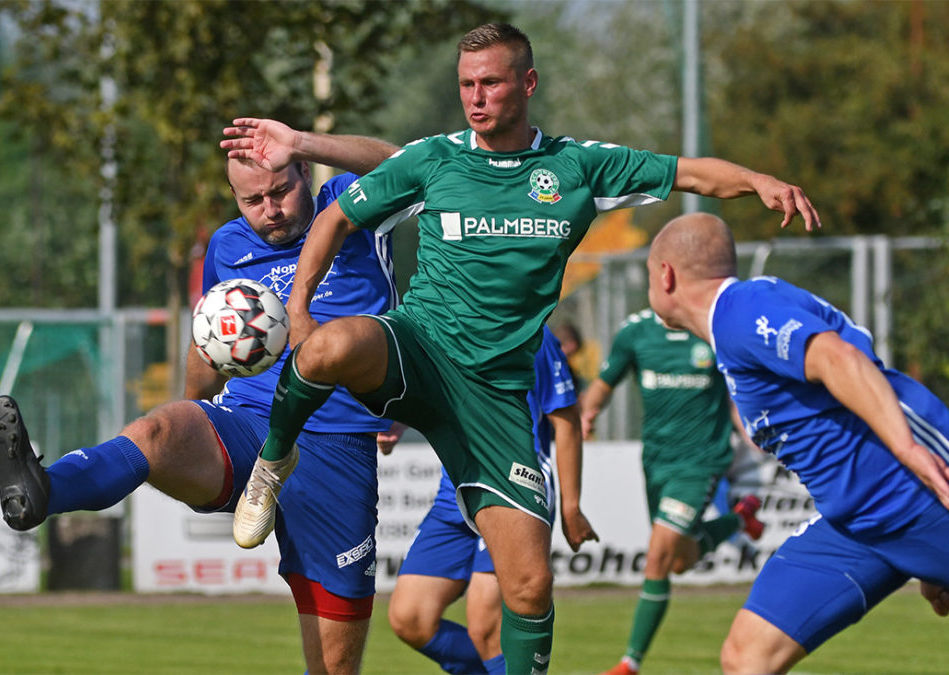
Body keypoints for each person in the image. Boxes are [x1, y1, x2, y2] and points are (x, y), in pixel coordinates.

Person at [227, 23, 819, 673]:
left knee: (531, 586)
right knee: (327, 346)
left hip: (498, 400)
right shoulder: (437, 157)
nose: (475, 98)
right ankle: (273, 461)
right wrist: (303, 306)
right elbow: (339, 216)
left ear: (527, 84)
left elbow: (688, 173)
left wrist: (758, 180)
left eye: (490, 82)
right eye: (465, 85)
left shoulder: (576, 166)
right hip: (421, 348)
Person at [0, 122, 400, 674]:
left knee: (332, 668)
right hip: (249, 423)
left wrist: (302, 140)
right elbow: (213, 342)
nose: (269, 210)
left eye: (280, 191)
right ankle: (44, 488)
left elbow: (403, 160)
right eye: (253, 200)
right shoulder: (228, 245)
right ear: (234, 197)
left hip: (335, 445)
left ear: (304, 170)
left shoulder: (349, 203)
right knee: (157, 431)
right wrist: (190, 417)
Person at [645, 211, 949, 674]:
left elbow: (838, 357)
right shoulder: (734, 328)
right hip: (857, 524)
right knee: (747, 658)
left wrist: (908, 451)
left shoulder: (738, 311)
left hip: (913, 491)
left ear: (665, 275)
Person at [385, 325, 596, 674]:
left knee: (487, 628)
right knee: (411, 618)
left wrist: (572, 506)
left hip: (514, 489)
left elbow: (567, 420)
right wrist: (401, 423)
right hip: (454, 491)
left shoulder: (532, 334)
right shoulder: (443, 326)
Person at [580, 308, 765, 675]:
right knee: (680, 560)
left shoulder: (712, 332)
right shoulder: (635, 332)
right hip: (656, 463)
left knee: (658, 557)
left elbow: (734, 396)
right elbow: (604, 384)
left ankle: (629, 663)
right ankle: (739, 520)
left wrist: (753, 435)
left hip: (702, 463)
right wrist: (588, 415)